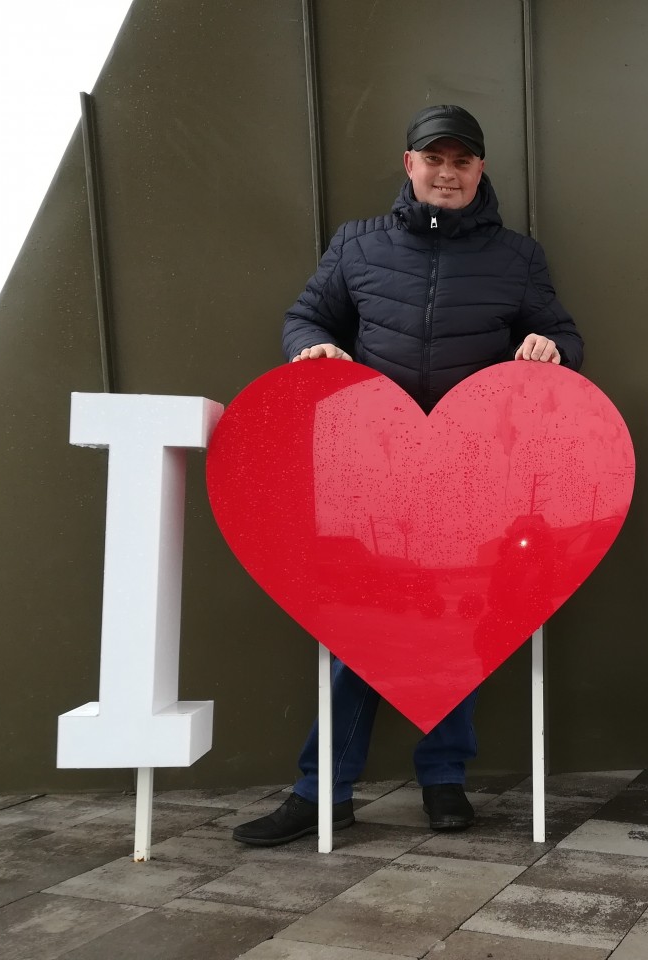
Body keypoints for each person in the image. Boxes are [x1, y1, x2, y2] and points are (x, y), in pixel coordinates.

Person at [233, 104, 582, 847]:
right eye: (434, 159)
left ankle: (444, 779)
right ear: (409, 164)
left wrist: (550, 347)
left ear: (479, 169)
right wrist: (311, 350)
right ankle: (322, 792)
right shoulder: (357, 244)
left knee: (458, 624)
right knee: (361, 630)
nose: (446, 173)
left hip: (470, 474)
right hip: (374, 470)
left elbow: (563, 334)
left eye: (461, 161)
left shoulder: (517, 256)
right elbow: (306, 317)